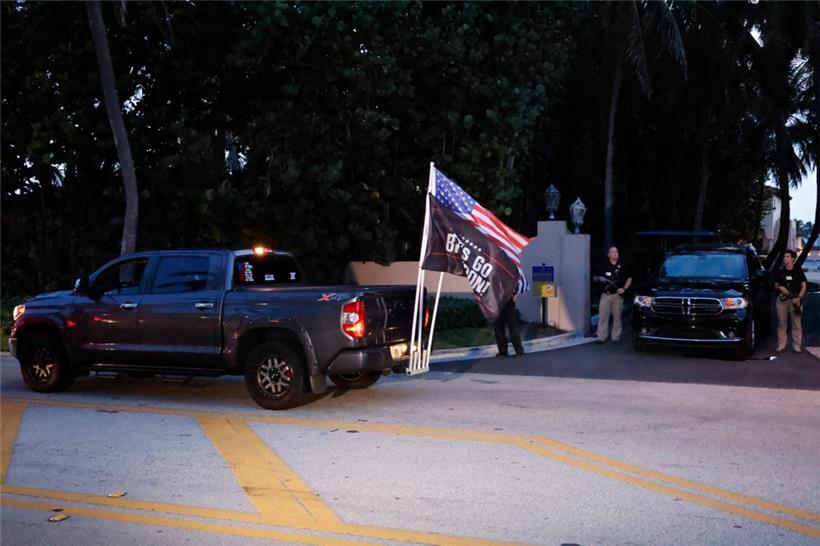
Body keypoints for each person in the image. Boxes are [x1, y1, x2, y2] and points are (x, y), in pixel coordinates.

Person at [594, 246, 632, 344]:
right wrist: (599, 278)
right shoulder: (602, 265)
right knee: (603, 316)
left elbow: (629, 278)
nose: (615, 253)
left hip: (618, 296)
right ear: (608, 254)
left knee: (617, 317)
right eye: (613, 252)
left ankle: (616, 337)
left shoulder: (623, 266)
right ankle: (601, 337)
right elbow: (594, 278)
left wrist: (624, 289)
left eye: (616, 251)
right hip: (606, 295)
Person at [774, 250, 807, 353]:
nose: (785, 258)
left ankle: (797, 346)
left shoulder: (798, 271)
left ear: (793, 258)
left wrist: (799, 298)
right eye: (784, 256)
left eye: (787, 256)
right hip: (782, 300)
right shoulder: (780, 272)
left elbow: (804, 285)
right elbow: (776, 284)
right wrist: (780, 288)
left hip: (796, 301)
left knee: (796, 324)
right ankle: (781, 345)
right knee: (781, 323)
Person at [494, 292, 524, 357]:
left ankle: (519, 351)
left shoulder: (509, 281)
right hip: (497, 303)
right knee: (499, 328)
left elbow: (516, 287)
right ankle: (503, 351)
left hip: (508, 303)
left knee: (513, 328)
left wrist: (514, 299)